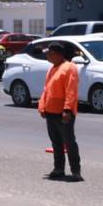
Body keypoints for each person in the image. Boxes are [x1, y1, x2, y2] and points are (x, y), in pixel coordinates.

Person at [38, 41, 81, 181]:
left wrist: (67, 110)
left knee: (69, 142)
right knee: (56, 142)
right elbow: (46, 89)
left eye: (49, 54)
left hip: (63, 113)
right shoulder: (52, 68)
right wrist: (42, 105)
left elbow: (71, 90)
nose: (47, 57)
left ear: (56, 54)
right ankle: (59, 169)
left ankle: (75, 171)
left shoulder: (69, 68)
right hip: (50, 111)